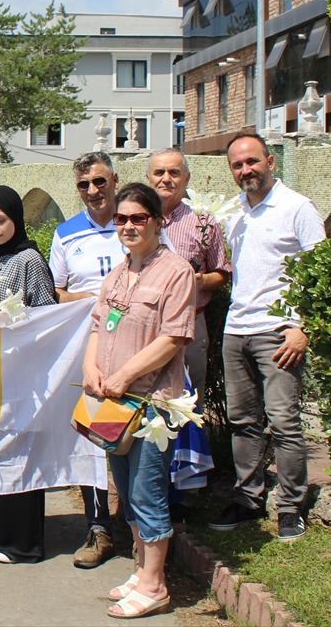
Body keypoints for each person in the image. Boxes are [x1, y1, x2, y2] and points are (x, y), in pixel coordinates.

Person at [83, 182, 195, 618]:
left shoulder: (176, 271)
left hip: (151, 405)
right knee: (126, 490)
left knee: (148, 492)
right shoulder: (119, 271)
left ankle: (155, 585)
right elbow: (97, 325)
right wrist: (91, 370)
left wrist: (126, 374)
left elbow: (174, 336)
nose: (128, 226)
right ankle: (141, 568)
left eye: (138, 218)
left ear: (158, 221)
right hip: (112, 404)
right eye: (122, 219)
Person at [208, 134, 325, 542]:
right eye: (238, 165)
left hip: (279, 332)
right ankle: (247, 498)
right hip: (236, 329)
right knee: (243, 422)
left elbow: (322, 272)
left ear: (270, 162)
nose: (246, 171)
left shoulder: (297, 208)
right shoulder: (234, 213)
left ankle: (290, 506)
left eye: (252, 162)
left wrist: (302, 326)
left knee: (284, 422)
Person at [0, 185, 57, 565]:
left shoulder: (31, 259)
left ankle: (18, 540)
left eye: (0, 220)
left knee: (18, 450)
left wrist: (14, 324)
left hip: (21, 369)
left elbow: (49, 315)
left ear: (15, 219)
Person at [48, 150, 122, 569]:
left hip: (134, 344)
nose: (93, 191)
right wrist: (94, 300)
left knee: (136, 431)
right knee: (95, 433)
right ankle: (99, 528)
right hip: (88, 346)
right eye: (83, 185)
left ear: (114, 180)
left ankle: (142, 521)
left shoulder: (135, 220)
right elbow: (57, 292)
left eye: (99, 181)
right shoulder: (65, 233)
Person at [147, 149, 231, 404]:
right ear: (149, 178)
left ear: (186, 178)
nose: (166, 179)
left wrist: (200, 281)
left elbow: (222, 273)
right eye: (159, 172)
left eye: (174, 172)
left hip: (191, 327)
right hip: (146, 326)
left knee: (190, 402)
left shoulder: (203, 222)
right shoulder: (136, 219)